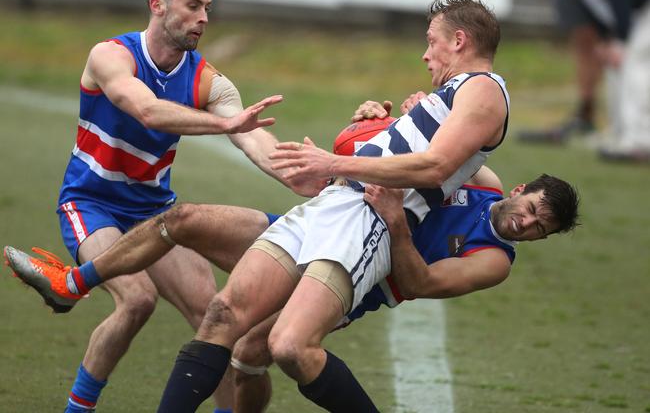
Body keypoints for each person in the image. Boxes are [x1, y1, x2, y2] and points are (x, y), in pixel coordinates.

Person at [149, 0, 511, 412]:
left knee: (291, 347)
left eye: (432, 41)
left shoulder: (484, 88)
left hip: (365, 222)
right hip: (335, 202)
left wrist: (331, 163)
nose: (425, 54)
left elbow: (433, 167)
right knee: (223, 315)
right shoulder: (455, 94)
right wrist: (373, 126)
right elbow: (407, 151)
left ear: (459, 41)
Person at [4, 166, 580, 412]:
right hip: (323, 225)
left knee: (257, 351)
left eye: (540, 229)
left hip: (361, 276)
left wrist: (398, 224)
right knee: (182, 221)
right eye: (532, 210)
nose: (527, 225)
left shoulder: (495, 261)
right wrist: (378, 118)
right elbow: (430, 153)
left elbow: (418, 281)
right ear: (523, 189)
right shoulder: (486, 181)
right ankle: (72, 282)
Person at [41, 0, 301, 413]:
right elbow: (148, 111)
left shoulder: (206, 79)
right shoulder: (111, 56)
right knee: (137, 299)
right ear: (157, 5)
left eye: (208, 8)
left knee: (215, 318)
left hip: (155, 212)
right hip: (91, 204)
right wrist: (224, 124)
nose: (203, 18)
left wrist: (305, 175)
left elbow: (252, 138)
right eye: (193, 5)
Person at [518, 0, 650, 145]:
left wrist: (619, 39)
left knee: (634, 65)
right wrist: (606, 38)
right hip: (634, 12)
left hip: (644, 6)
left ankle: (641, 138)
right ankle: (620, 133)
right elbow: (595, 0)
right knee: (616, 67)